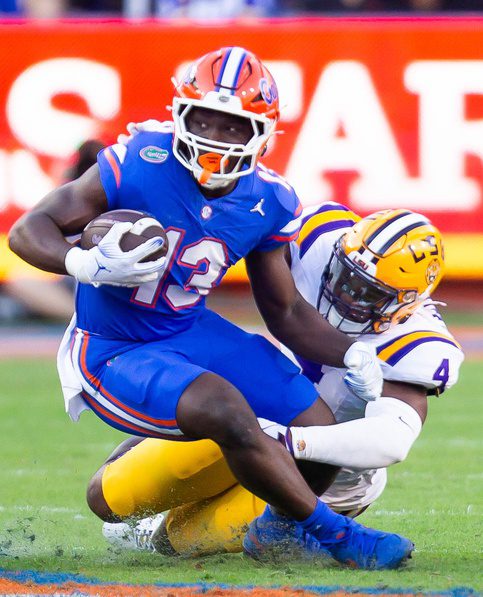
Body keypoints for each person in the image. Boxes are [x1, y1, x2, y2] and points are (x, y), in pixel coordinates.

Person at [9, 46, 410, 569]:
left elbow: (284, 312)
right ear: (181, 114)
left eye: (233, 126)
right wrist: (83, 263)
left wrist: (349, 353)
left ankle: (278, 530)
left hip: (184, 327)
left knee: (320, 424)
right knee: (222, 405)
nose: (215, 138)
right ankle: (336, 535)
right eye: (205, 120)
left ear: (263, 132)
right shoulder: (139, 159)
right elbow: (27, 230)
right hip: (111, 345)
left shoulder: (271, 200)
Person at [98, 205, 464, 559]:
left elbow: (392, 442)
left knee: (173, 541)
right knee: (108, 494)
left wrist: (289, 440)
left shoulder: (418, 345)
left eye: (367, 293)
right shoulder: (318, 237)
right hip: (254, 422)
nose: (346, 294)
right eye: (345, 275)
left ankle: (289, 531)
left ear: (406, 303)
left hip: (321, 480)